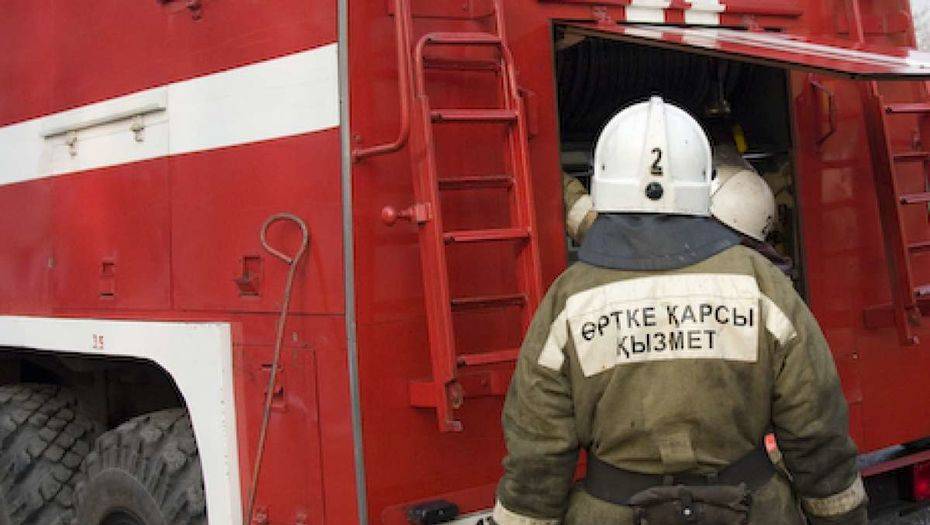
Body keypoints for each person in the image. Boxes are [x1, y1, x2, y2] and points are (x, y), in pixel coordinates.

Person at [493, 97, 865, 525]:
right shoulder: (760, 284)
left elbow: (538, 450)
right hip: (752, 511)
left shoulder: (570, 298)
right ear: (704, 181)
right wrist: (841, 516)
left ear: (604, 181)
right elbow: (816, 427)